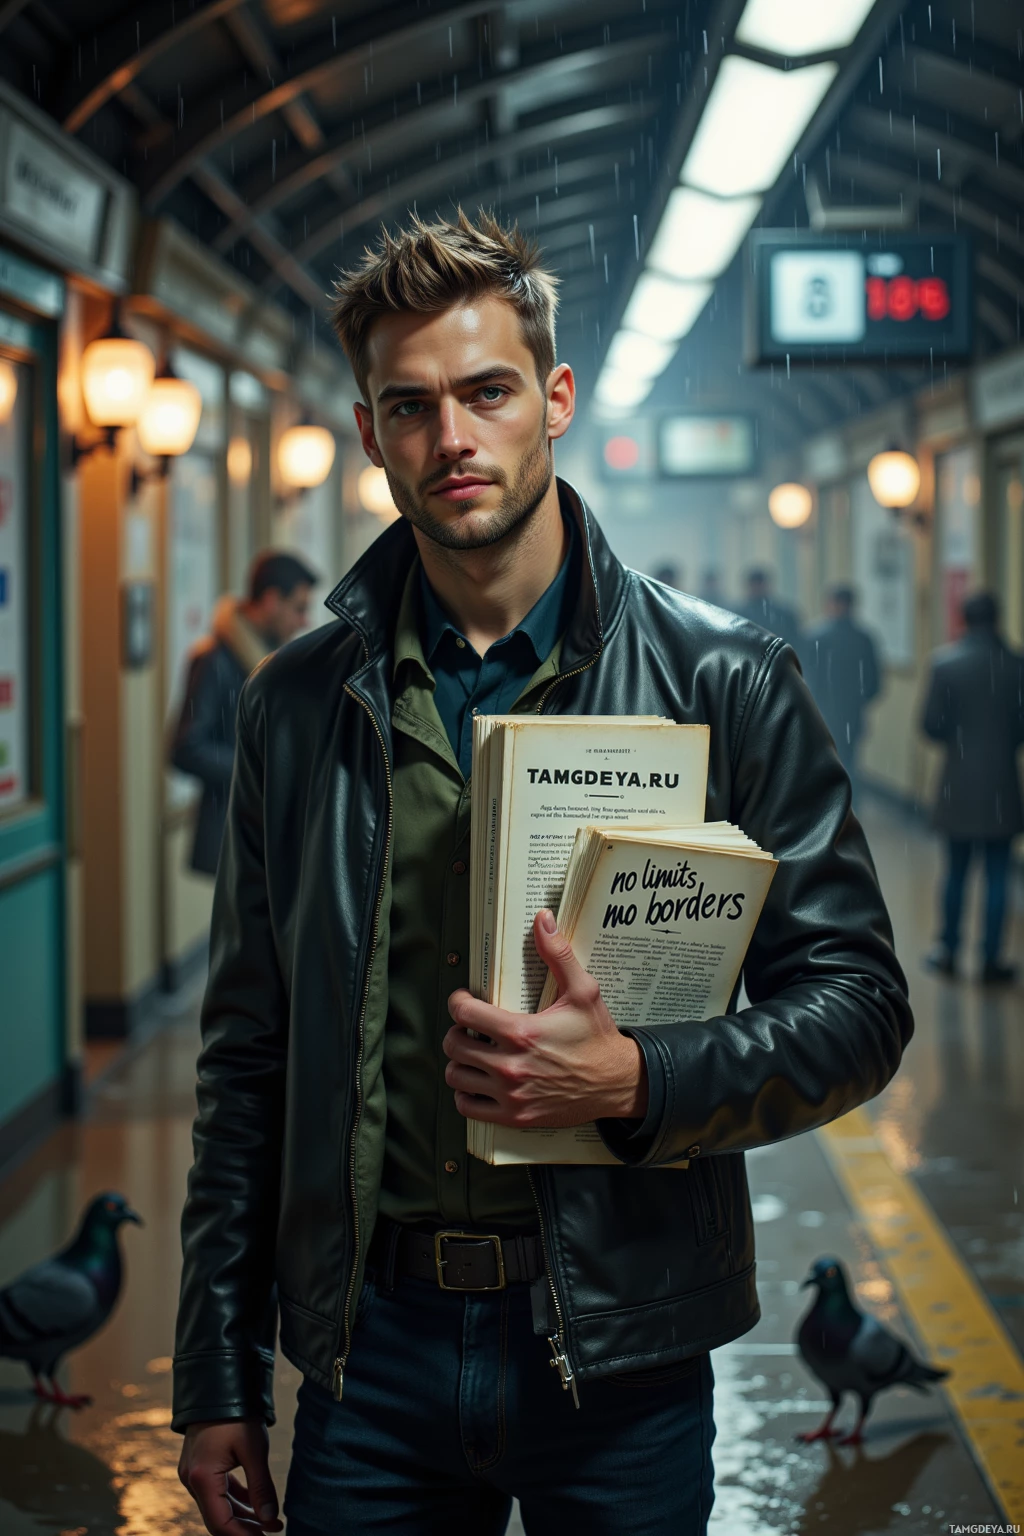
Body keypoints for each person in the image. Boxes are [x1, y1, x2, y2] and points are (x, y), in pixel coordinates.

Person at [171, 211, 911, 1536]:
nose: (452, 439)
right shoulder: (297, 704)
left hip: (619, 1350)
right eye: (410, 407)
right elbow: (247, 1057)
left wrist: (643, 1081)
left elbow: (858, 1000)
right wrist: (216, 1373)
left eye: (488, 392)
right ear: (368, 435)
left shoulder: (721, 682)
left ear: (554, 400)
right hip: (370, 1356)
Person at [169, 550, 317, 874]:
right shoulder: (214, 661)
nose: (305, 621)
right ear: (271, 600)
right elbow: (186, 748)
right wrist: (262, 769)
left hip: (269, 832)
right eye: (299, 608)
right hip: (236, 833)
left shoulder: (270, 658)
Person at [921, 591, 1024, 984]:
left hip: (958, 783)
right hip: (1002, 783)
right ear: (998, 618)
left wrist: (960, 737)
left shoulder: (946, 665)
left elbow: (930, 725)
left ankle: (948, 950)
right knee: (999, 874)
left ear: (963, 619)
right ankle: (991, 958)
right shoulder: (1016, 666)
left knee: (956, 871)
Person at [803, 585, 881, 806]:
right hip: (853, 712)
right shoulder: (864, 638)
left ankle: (827, 807)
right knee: (851, 759)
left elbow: (808, 677)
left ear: (832, 604)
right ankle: (851, 807)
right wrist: (858, 700)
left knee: (823, 761)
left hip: (822, 711)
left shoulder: (816, 636)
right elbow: (875, 683)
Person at [734, 566, 802, 653]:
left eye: (759, 584)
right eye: (754, 585)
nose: (756, 588)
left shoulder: (784, 613)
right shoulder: (739, 613)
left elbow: (796, 641)